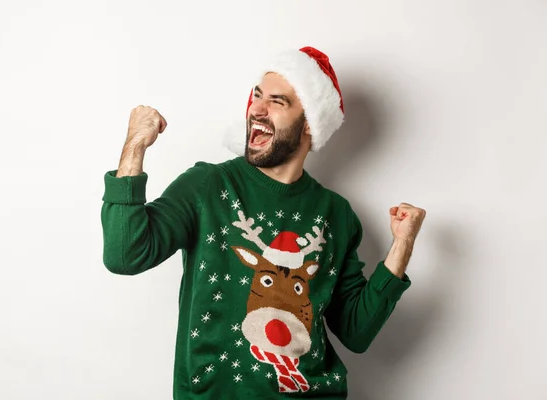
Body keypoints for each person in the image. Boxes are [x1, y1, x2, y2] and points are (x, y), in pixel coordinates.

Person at [100, 46, 426, 399]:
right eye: (256, 96)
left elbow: (356, 333)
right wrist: (135, 146)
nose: (256, 108)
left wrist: (402, 246)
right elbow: (124, 254)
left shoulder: (336, 215)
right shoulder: (207, 186)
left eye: (277, 101)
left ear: (309, 125)